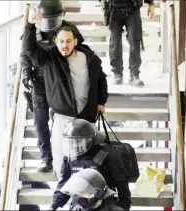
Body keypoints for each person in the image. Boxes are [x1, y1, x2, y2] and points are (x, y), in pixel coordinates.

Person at [20, 7, 85, 172]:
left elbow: (80, 47)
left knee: (60, 120)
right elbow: (25, 52)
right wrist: (26, 73)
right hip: (39, 82)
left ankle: (64, 156)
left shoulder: (67, 29)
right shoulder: (33, 30)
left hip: (58, 81)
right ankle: (46, 157)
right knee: (41, 121)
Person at [48, 119, 131, 211]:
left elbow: (121, 183)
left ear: (90, 140)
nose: (76, 146)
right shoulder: (69, 158)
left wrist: (124, 206)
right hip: (78, 204)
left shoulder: (108, 155)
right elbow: (64, 183)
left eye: (79, 142)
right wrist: (54, 205)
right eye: (72, 142)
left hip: (102, 204)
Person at [105, 0, 155, 86]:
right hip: (114, 8)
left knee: (134, 41)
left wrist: (151, 4)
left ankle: (134, 75)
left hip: (133, 8)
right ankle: (117, 74)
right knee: (115, 43)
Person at [60, 168, 125, 211]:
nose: (78, 196)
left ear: (97, 194)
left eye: (82, 192)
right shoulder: (75, 208)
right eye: (76, 193)